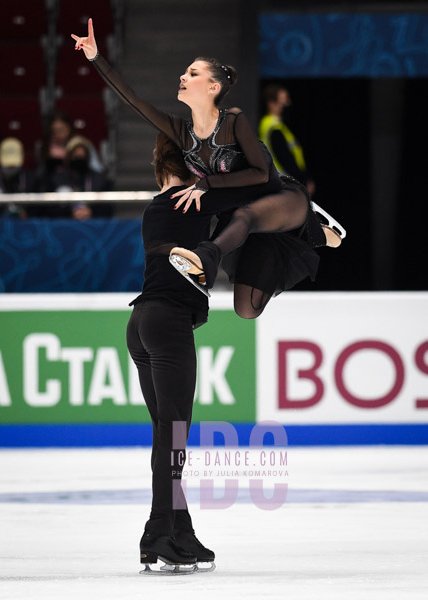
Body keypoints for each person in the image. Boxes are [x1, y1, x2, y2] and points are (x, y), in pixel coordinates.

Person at [72, 19, 345, 317]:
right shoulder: (181, 132)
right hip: (243, 216)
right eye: (185, 72)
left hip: (280, 197)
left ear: (213, 87)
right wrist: (95, 57)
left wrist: (207, 185)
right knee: (247, 309)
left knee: (244, 215)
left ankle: (210, 259)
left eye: (193, 72)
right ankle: (308, 231)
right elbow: (134, 101)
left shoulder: (233, 121)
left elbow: (261, 175)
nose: (183, 76)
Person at [126, 132, 216, 574]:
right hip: (168, 323)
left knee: (167, 433)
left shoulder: (154, 207)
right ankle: (158, 531)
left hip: (140, 325)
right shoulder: (193, 201)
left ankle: (179, 529)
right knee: (175, 434)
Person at [259, 83, 315, 196]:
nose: (287, 104)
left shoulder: (276, 125)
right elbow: (284, 157)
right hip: (284, 183)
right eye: (283, 101)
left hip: (282, 182)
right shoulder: (273, 127)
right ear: (271, 103)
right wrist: (302, 179)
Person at [0, 137, 35, 218]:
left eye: (13, 166)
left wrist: (27, 214)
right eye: (8, 165)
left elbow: (40, 211)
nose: (10, 168)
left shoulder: (31, 179)